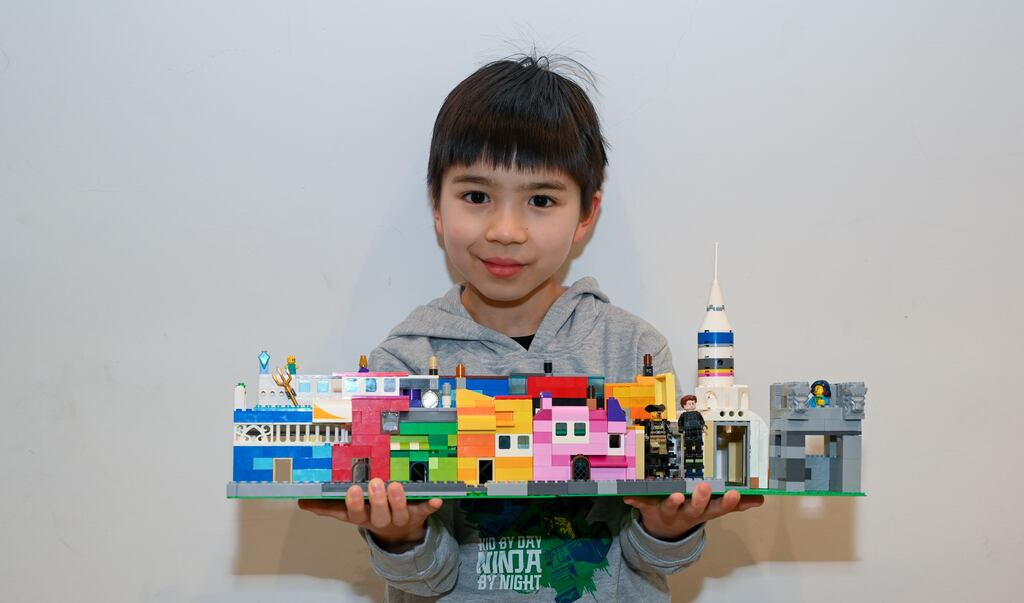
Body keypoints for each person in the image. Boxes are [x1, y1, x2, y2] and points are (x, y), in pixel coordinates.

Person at [299, 55, 763, 602]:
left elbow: (650, 561)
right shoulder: (401, 364)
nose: (506, 230)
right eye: (476, 197)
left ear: (586, 215)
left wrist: (669, 525)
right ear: (437, 206)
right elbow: (427, 579)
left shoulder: (632, 349)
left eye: (541, 200)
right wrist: (401, 536)